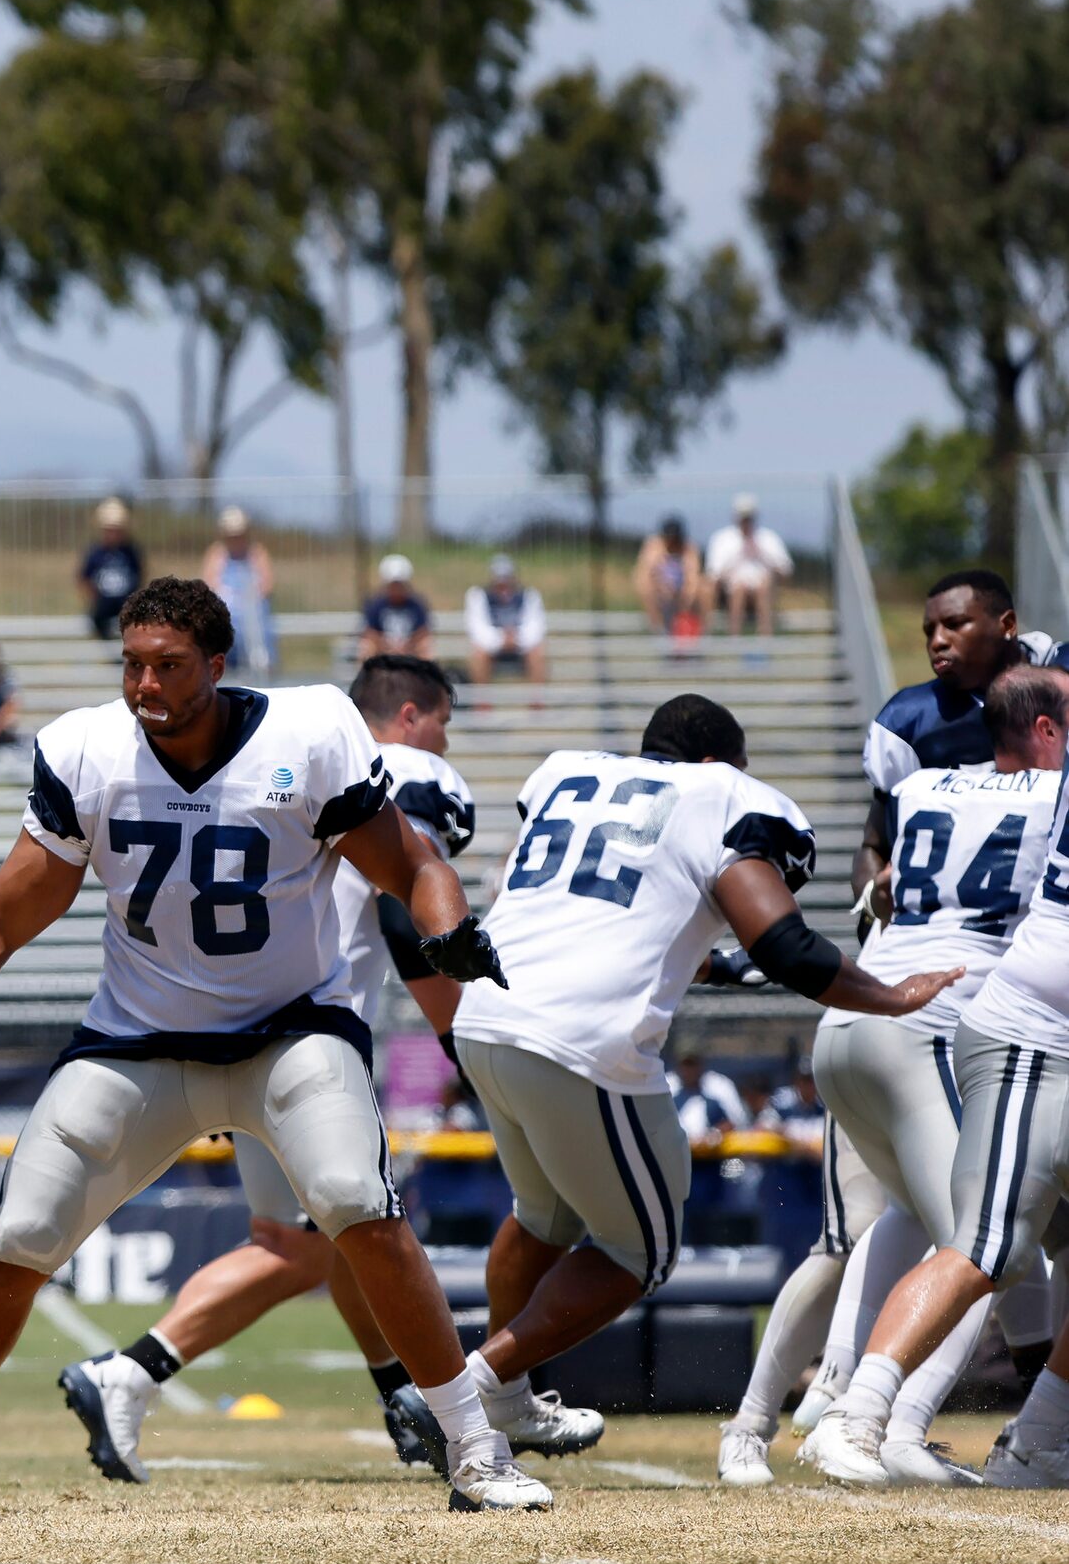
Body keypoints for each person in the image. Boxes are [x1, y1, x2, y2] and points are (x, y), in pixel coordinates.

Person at [0, 576, 549, 1513]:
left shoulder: (305, 736)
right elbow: (3, 911)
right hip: (140, 1039)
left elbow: (412, 862)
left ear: (217, 667)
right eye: (133, 664)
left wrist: (447, 928)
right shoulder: (88, 750)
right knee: (20, 1231)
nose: (145, 686)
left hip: (290, 1032)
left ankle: (475, 1447)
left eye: (168, 667)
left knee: (356, 1201)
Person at [444, 694, 954, 1468]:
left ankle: (502, 1401)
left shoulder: (567, 774)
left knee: (543, 1219)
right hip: (581, 1037)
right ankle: (469, 1389)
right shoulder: (723, 794)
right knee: (637, 1252)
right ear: (721, 763)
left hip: (484, 1017)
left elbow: (603, 903)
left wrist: (705, 959)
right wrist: (890, 994)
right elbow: (786, 945)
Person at [57, 654, 480, 1473]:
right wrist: (459, 1041)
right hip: (313, 1045)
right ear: (411, 718)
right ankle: (130, 1373)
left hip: (237, 1026)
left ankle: (404, 1394)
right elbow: (407, 911)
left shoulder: (291, 758)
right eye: (442, 721)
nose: (441, 739)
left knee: (333, 1237)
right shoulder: (414, 773)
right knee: (332, 1236)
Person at [785, 667, 1069, 1488]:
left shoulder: (947, 788)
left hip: (928, 1009)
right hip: (1028, 1038)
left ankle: (1039, 1440)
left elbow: (876, 872)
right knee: (981, 1242)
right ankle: (860, 1416)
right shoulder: (1041, 792)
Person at [858, 571, 1060, 918]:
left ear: (1007, 624)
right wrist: (875, 912)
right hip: (962, 926)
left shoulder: (1063, 678)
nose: (937, 641)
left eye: (955, 624)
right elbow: (875, 846)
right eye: (929, 631)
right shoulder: (910, 720)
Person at [200, 506, 276, 678]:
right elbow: (209, 585)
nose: (235, 539)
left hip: (254, 620)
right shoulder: (217, 554)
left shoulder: (257, 553)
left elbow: (267, 585)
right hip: (228, 616)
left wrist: (250, 596)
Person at [707, 494, 794, 635]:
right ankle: (735, 640)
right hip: (731, 593)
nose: (746, 522)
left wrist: (761, 553)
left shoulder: (768, 538)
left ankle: (765, 641)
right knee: (739, 588)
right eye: (743, 517)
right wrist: (739, 553)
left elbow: (786, 571)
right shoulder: (722, 539)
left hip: (765, 591)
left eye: (749, 517)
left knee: (763, 586)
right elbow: (714, 574)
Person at [465, 555, 551, 684]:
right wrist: (502, 639)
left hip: (521, 647)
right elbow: (477, 629)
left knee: (537, 653)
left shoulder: (529, 596)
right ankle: (482, 702)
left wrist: (516, 638)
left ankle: (538, 701)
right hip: (491, 648)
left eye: (507, 580)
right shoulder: (478, 596)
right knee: (479, 654)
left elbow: (535, 628)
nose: (504, 586)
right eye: (500, 582)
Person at [78, 498, 144, 641]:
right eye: (110, 529)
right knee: (99, 618)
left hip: (126, 602)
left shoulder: (131, 552)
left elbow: (139, 575)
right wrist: (93, 597)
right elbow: (84, 577)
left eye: (117, 530)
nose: (113, 534)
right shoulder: (96, 552)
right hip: (103, 603)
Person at [633, 518, 704, 644]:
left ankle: (692, 631)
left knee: (704, 588)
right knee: (646, 587)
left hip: (682, 598)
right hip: (659, 594)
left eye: (674, 538)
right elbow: (643, 575)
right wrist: (662, 585)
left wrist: (684, 597)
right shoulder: (653, 547)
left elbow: (693, 578)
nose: (671, 542)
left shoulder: (689, 549)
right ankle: (658, 629)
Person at [358, 555, 434, 661]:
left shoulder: (416, 605)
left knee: (425, 647)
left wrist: (408, 645)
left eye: (400, 585)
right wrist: (385, 645)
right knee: (367, 648)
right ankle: (366, 676)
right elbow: (370, 632)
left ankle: (427, 676)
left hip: (410, 648)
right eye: (394, 585)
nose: (397, 589)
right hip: (382, 649)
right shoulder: (376, 605)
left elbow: (423, 632)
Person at [672, 1053, 753, 1142]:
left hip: (711, 1151)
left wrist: (713, 1134)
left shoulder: (717, 1091)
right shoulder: (671, 1093)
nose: (689, 1071)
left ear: (700, 1067)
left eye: (692, 1066)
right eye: (685, 1066)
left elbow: (736, 1123)